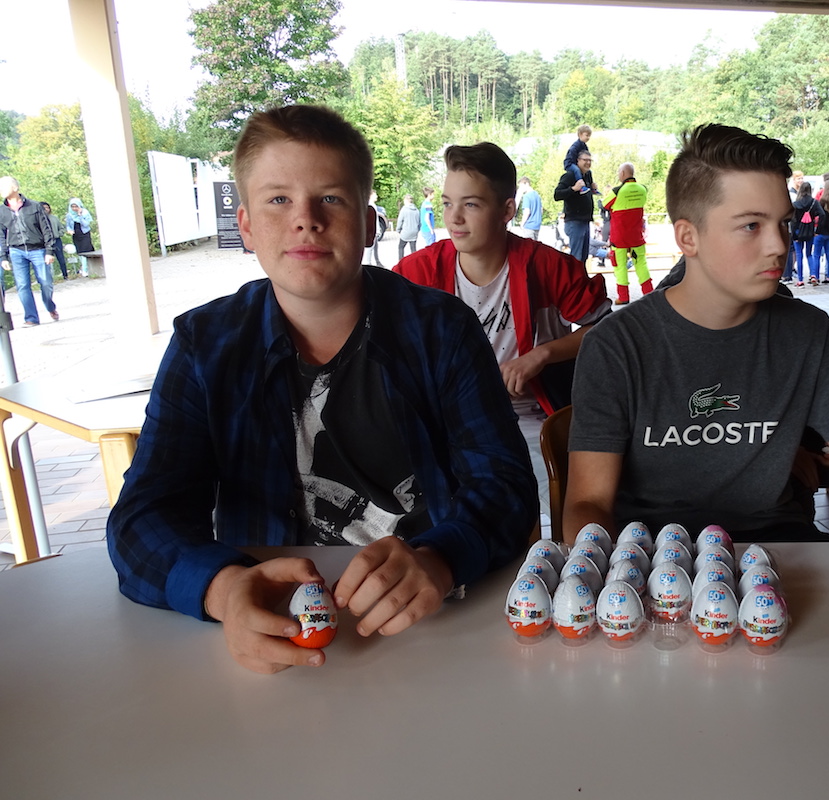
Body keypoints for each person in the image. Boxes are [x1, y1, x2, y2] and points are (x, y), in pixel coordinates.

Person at [107, 105, 536, 675]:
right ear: (246, 226)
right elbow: (141, 519)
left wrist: (441, 556)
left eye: (330, 198)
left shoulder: (442, 329)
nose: (305, 220)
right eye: (278, 200)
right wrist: (224, 589)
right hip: (271, 630)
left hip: (430, 625)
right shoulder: (204, 345)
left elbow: (506, 485)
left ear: (368, 223)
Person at [564, 123, 829, 544]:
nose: (778, 245)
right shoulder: (616, 345)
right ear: (688, 237)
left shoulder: (808, 332)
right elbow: (587, 503)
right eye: (751, 226)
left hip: (784, 550)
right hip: (657, 559)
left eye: (783, 223)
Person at [395, 142, 611, 513]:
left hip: (531, 421)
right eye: (447, 203)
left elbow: (606, 329)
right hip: (446, 426)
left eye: (471, 205)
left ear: (507, 210)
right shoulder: (417, 273)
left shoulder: (547, 267)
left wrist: (542, 355)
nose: (454, 218)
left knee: (544, 518)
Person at [0, 177, 60, 326]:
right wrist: (3, 257)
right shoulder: (1, 211)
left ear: (15, 188)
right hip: (16, 251)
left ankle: (50, 306)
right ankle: (31, 318)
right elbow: (1, 234)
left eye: (4, 186)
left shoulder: (34, 206)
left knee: (45, 282)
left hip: (38, 249)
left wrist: (49, 251)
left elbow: (46, 229)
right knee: (22, 285)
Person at [604, 162, 651, 305]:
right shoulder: (643, 189)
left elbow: (605, 205)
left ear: (623, 173)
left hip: (620, 237)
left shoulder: (617, 191)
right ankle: (649, 293)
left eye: (619, 172)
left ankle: (623, 297)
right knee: (641, 264)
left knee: (620, 266)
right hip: (636, 236)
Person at [554, 149, 597, 264]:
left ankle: (581, 275)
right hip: (574, 221)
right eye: (585, 160)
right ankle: (573, 275)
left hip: (585, 221)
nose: (588, 163)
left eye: (590, 160)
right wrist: (573, 189)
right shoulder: (570, 176)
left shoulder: (587, 176)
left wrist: (593, 189)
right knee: (576, 257)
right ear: (577, 161)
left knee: (584, 256)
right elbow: (557, 194)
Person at [810, 180, 829, 285]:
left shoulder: (822, 201)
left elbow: (820, 217)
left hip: (821, 232)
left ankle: (816, 276)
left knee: (816, 255)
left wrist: (817, 231)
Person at [790, 180, 819, 287]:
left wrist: (794, 235)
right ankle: (813, 275)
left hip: (798, 232)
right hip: (810, 232)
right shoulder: (814, 202)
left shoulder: (796, 204)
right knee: (809, 254)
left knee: (799, 255)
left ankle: (800, 280)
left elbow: (793, 221)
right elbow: (822, 214)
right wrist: (817, 229)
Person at [41, 201, 69, 280]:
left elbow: (62, 228)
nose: (46, 209)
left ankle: (65, 275)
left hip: (56, 240)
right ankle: (48, 278)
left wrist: (58, 234)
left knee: (61, 258)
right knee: (46, 260)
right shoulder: (39, 219)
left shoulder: (54, 218)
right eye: (44, 208)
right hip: (45, 242)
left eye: (47, 208)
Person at [562, 124, 593, 189]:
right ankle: (581, 185)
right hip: (570, 163)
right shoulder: (575, 146)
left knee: (589, 171)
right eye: (587, 135)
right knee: (577, 170)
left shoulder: (584, 146)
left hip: (576, 163)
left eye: (589, 136)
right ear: (580, 135)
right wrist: (577, 164)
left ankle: (591, 187)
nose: (588, 138)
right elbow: (571, 157)